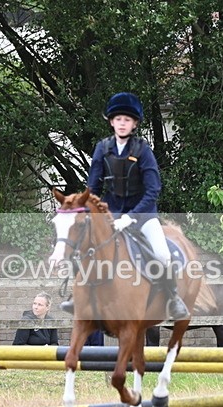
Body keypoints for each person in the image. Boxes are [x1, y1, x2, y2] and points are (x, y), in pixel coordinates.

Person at [86, 92, 189, 321]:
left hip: (143, 215)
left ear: (134, 124)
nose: (122, 123)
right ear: (111, 121)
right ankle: (81, 298)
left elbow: (153, 190)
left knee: (162, 254)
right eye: (118, 119)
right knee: (86, 247)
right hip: (112, 215)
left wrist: (131, 217)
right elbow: (92, 188)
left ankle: (173, 298)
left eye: (127, 120)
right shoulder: (102, 149)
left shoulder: (143, 150)